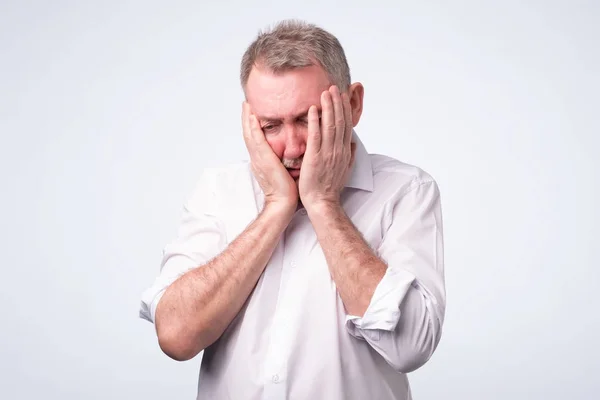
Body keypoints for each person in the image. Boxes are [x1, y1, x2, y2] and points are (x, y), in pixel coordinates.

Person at [139, 19, 446, 400]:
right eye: (271, 126)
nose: (292, 148)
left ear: (352, 104)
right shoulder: (218, 191)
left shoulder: (406, 191)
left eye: (308, 119)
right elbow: (175, 337)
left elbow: (411, 346)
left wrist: (323, 203)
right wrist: (276, 207)